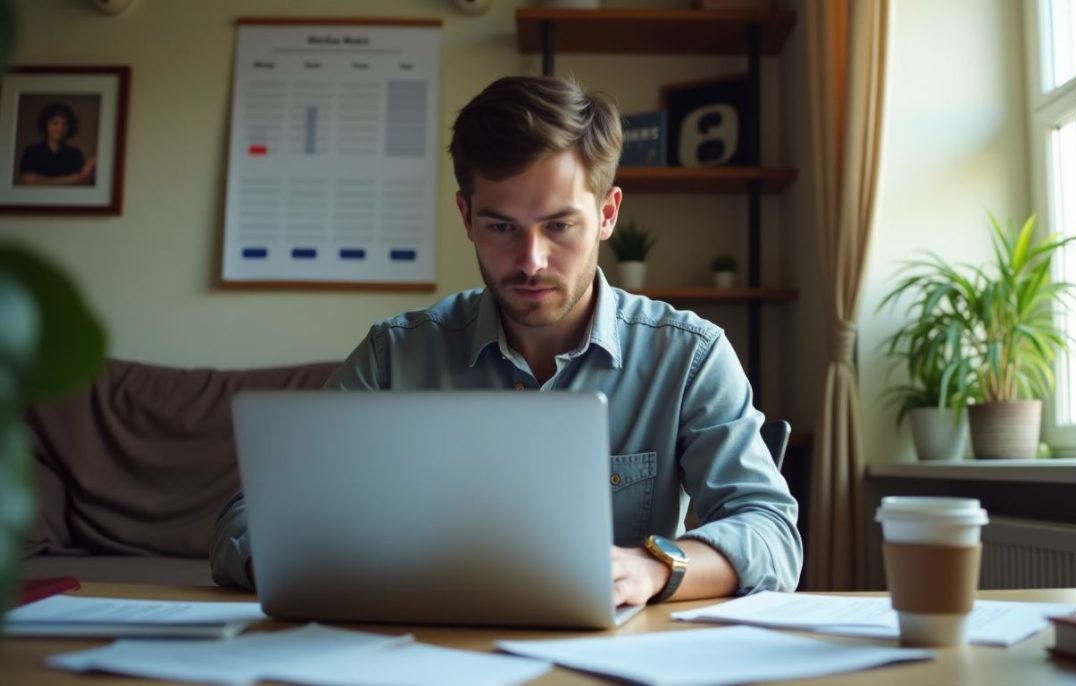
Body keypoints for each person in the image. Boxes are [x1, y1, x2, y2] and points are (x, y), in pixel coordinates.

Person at [210, 75, 803, 606]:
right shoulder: (395, 355)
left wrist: (653, 568)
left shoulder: (689, 356)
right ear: (466, 216)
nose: (531, 260)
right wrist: (310, 567)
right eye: (501, 227)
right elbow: (246, 521)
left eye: (560, 225)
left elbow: (771, 532)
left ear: (607, 214)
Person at [18, 102, 96, 186]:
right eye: (55, 123)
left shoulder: (75, 154)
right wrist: (71, 179)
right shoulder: (31, 151)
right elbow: (29, 179)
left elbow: (81, 181)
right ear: (46, 125)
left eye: (65, 124)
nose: (60, 128)